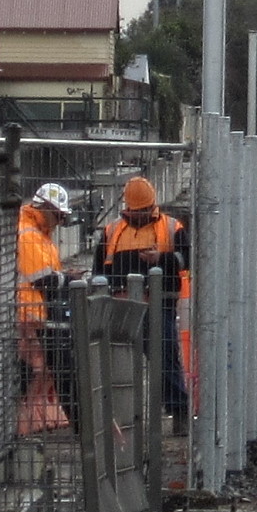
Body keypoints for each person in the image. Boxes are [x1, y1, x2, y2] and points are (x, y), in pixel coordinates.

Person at [100, 176, 192, 434]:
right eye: (135, 211)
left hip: (158, 306)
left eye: (144, 211)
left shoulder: (172, 227)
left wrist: (160, 258)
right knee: (118, 367)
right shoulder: (112, 231)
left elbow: (187, 259)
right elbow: (100, 270)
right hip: (121, 307)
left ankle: (179, 412)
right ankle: (118, 420)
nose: (139, 215)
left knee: (165, 361)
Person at [17, 183, 82, 435]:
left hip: (39, 316)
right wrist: (68, 277)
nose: (59, 222)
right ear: (44, 208)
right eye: (58, 216)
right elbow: (43, 279)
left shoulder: (39, 234)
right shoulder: (29, 235)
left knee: (51, 371)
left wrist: (62, 277)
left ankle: (33, 423)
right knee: (41, 372)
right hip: (30, 317)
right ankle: (78, 424)